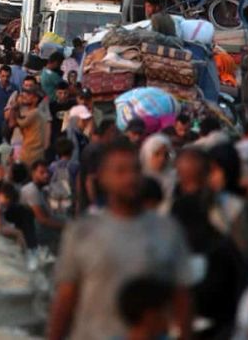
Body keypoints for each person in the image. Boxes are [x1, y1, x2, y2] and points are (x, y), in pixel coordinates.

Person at [48, 139, 195, 340]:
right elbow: (65, 300)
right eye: (120, 171)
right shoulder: (82, 232)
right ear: (102, 178)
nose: (130, 178)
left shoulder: (167, 230)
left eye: (135, 170)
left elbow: (182, 299)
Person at [20, 159, 65, 251]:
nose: (46, 175)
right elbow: (42, 220)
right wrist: (64, 226)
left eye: (47, 172)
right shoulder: (31, 190)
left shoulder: (41, 189)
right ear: (33, 173)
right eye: (42, 172)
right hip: (32, 230)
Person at [12, 87, 49, 167]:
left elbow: (19, 123)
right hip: (36, 152)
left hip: (31, 153)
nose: (25, 97)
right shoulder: (37, 113)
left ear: (35, 99)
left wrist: (15, 107)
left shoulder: (34, 113)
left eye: (29, 95)